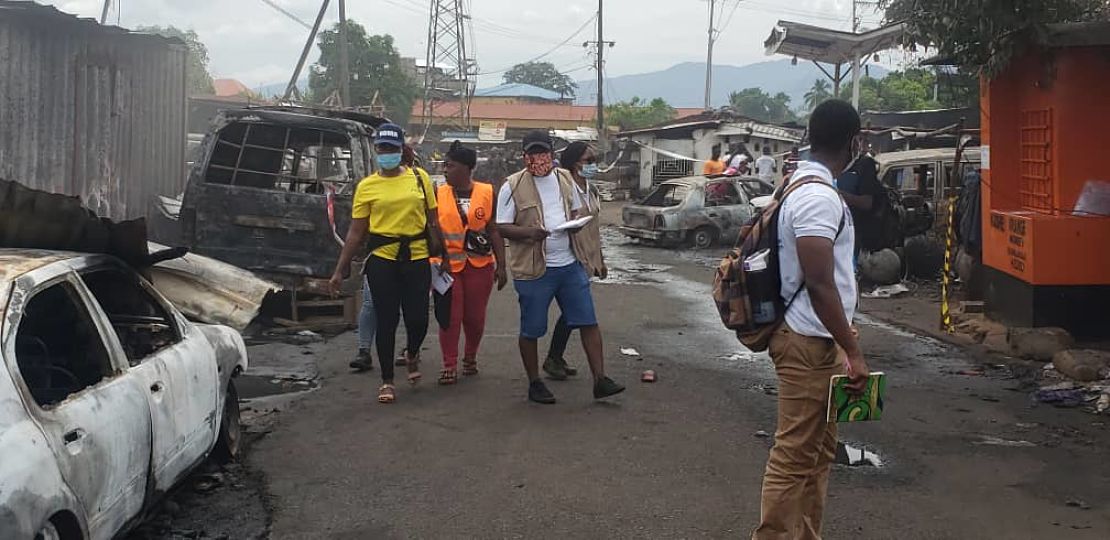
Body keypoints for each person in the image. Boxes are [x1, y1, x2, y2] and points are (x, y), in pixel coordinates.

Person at [752, 100, 870, 539]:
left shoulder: (798, 184)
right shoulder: (819, 197)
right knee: (794, 456)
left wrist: (842, 342)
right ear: (854, 142)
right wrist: (853, 350)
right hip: (807, 340)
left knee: (819, 452)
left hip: (819, 339)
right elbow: (820, 282)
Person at [496, 130, 625, 404]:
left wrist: (575, 223)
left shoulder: (565, 179)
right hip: (534, 269)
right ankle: (534, 382)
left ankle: (600, 379)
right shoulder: (512, 186)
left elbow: (576, 210)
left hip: (569, 264)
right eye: (533, 153)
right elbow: (502, 227)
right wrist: (528, 233)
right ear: (525, 156)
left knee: (588, 321)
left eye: (543, 152)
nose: (539, 159)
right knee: (532, 329)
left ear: (552, 154)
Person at [328, 123, 444, 404]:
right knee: (387, 320)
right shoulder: (367, 187)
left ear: (401, 149)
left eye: (392, 148)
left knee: (418, 319)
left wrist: (445, 257)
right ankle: (387, 380)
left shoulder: (420, 179)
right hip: (382, 259)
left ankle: (412, 352)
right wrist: (340, 269)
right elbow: (356, 232)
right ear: (376, 150)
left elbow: (433, 221)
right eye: (383, 148)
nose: (387, 153)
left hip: (416, 257)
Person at [433, 141, 508, 385]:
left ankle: (470, 356)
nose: (445, 170)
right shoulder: (438, 193)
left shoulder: (487, 192)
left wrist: (502, 265)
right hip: (447, 268)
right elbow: (431, 229)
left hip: (479, 265)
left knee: (475, 318)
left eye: (450, 166)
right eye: (445, 165)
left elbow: (494, 229)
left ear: (467, 169)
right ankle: (449, 363)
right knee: (450, 317)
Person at [543, 142, 607, 380]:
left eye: (594, 160)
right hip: (566, 256)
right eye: (588, 160)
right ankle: (553, 358)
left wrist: (600, 259)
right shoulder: (562, 186)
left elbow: (594, 226)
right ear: (573, 162)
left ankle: (554, 357)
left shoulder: (590, 188)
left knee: (573, 313)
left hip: (585, 256)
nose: (593, 165)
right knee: (576, 312)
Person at [836, 148, 887, 254]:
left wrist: (836, 194)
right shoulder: (829, 166)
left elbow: (866, 203)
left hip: (856, 236)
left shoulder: (864, 164)